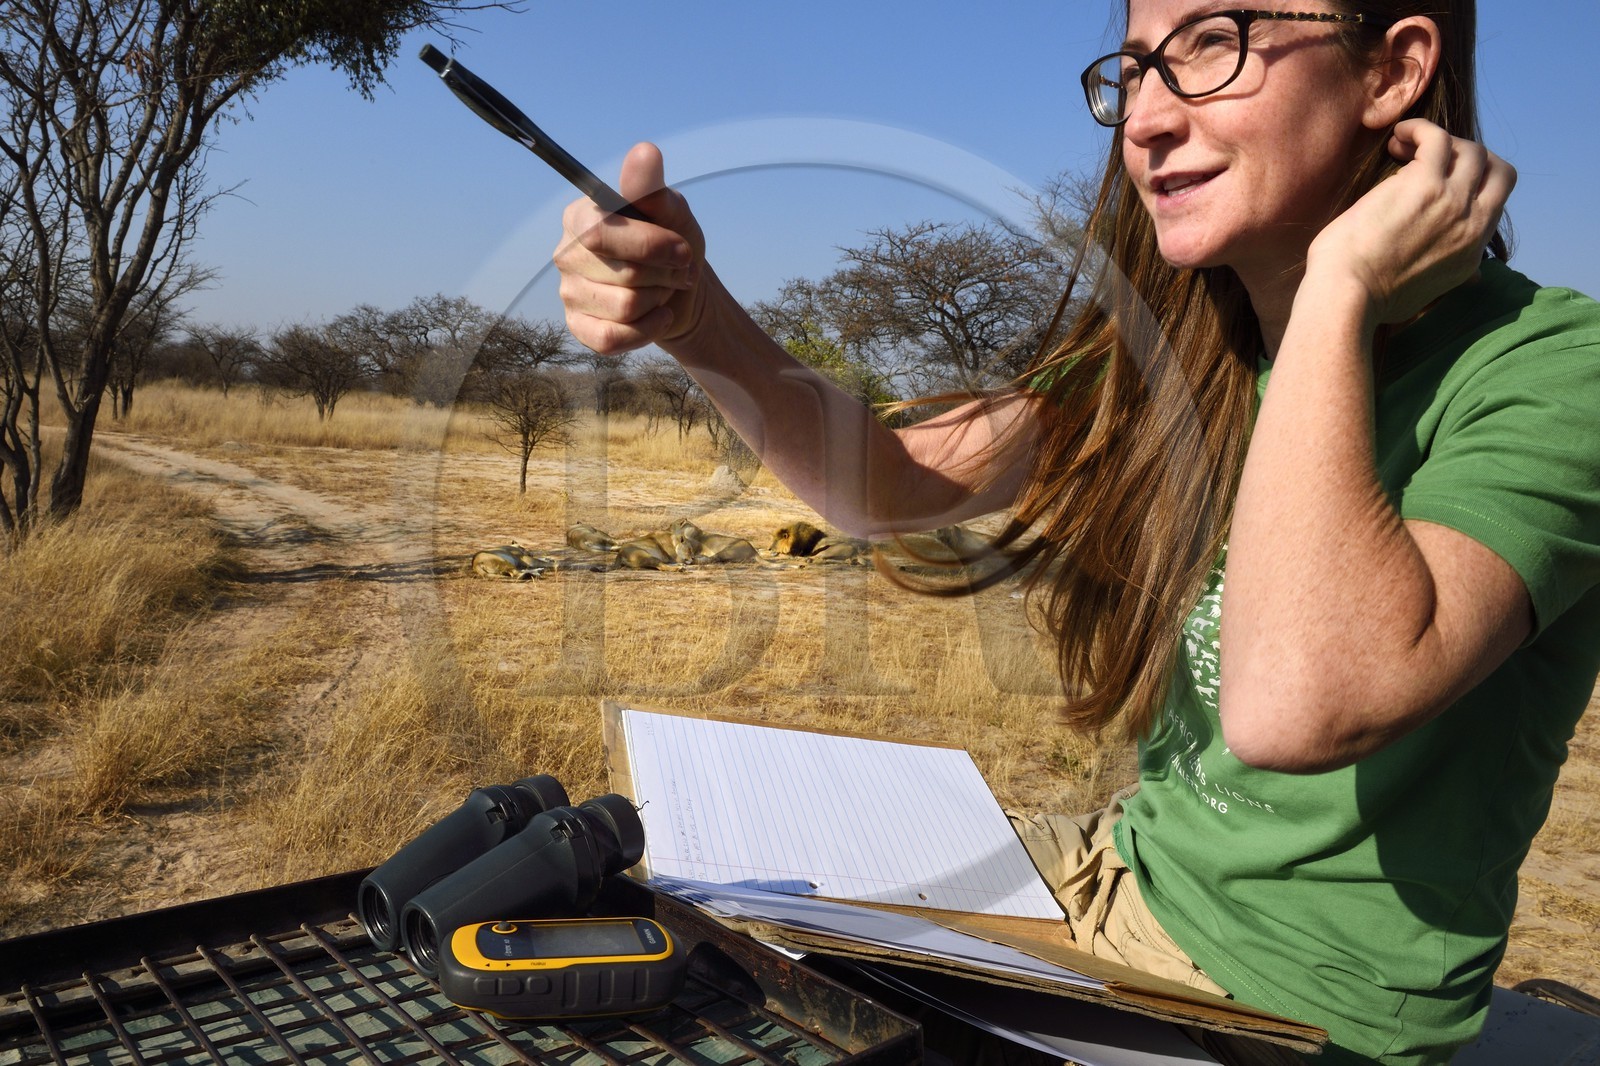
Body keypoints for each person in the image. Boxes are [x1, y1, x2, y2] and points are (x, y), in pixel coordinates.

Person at [552, 1, 1600, 1061]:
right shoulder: (1188, 347)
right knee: (670, 909)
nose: (1144, 118)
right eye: (1136, 68)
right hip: (1117, 874)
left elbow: (1293, 708)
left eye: (1212, 43)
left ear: (1394, 70)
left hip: (1291, 1011)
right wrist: (695, 317)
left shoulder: (1556, 369)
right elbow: (894, 482)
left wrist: (1339, 292)